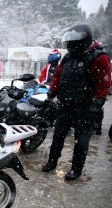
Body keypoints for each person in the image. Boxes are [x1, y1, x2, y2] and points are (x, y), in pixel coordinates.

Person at [42, 24, 111, 180]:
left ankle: (76, 168)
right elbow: (58, 76)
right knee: (58, 136)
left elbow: (104, 82)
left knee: (81, 141)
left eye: (74, 42)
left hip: (85, 107)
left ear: (84, 40)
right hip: (65, 104)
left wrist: (98, 102)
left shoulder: (99, 57)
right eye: (69, 42)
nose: (70, 45)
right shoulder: (68, 57)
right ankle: (52, 161)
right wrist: (52, 91)